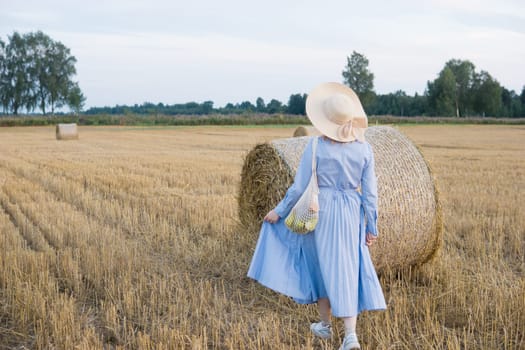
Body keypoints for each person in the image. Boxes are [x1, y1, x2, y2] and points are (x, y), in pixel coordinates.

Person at [247, 82, 386, 350]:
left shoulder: (316, 147)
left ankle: (330, 327)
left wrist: (280, 211)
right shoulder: (364, 149)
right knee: (347, 269)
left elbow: (299, 187)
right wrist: (372, 226)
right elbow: (370, 194)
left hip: (319, 210)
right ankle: (348, 334)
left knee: (320, 266)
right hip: (350, 213)